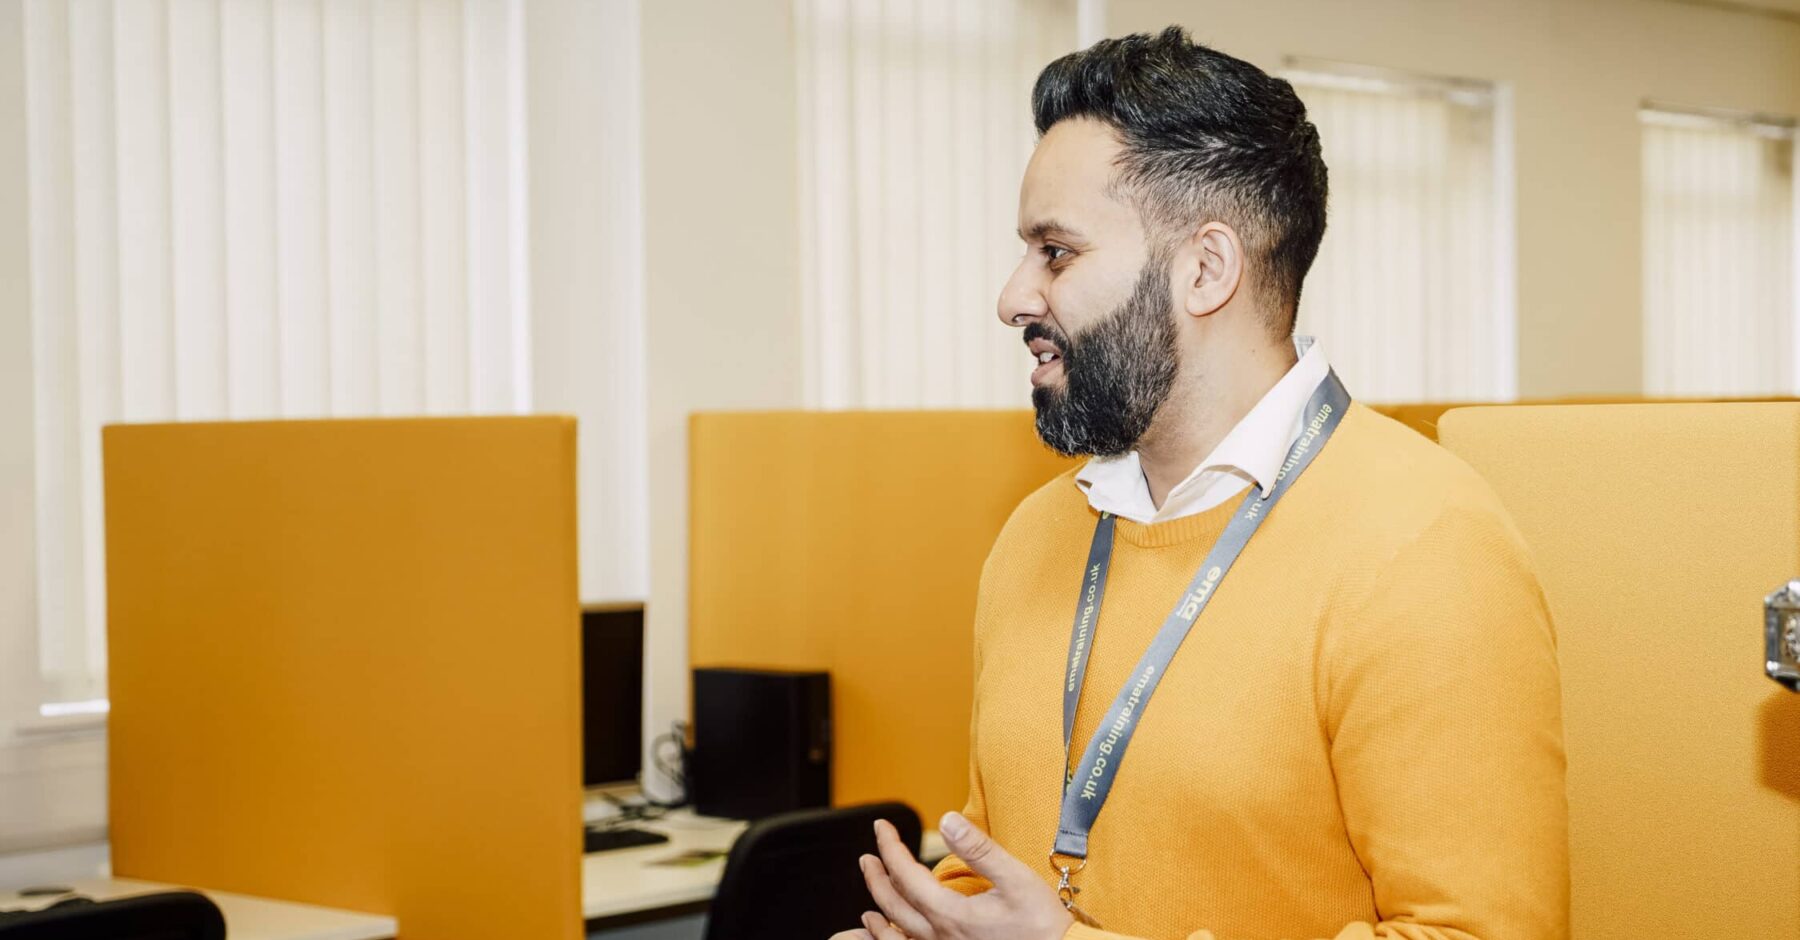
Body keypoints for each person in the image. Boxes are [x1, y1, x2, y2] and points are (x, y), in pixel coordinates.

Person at [831, 26, 1569, 940]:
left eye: (1055, 252)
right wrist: (933, 924)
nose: (1014, 296)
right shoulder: (1037, 534)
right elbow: (1005, 864)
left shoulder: (1424, 547)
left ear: (1206, 269)